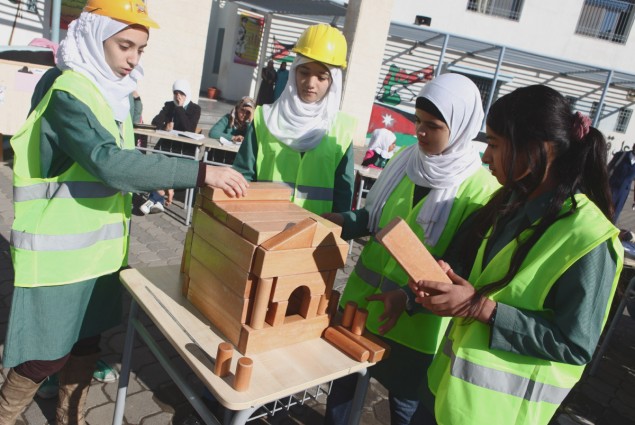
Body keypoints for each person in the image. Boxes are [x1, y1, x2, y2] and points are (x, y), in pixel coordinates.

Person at [0, 2, 248, 423]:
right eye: (124, 45)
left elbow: (112, 165)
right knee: (43, 358)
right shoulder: (68, 91)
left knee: (85, 345)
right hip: (58, 259)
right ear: (94, 38)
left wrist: (145, 183)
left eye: (141, 48)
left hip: (98, 253)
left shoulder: (108, 92)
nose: (132, 58)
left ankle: (69, 417)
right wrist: (199, 171)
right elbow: (107, 161)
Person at [409, 85, 623, 425]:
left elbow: (574, 344)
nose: (485, 156)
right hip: (442, 394)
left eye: (494, 144)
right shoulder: (511, 203)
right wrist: (450, 281)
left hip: (497, 415)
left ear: (538, 149)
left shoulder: (589, 238)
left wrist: (478, 307)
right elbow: (487, 283)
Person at [323, 73, 500, 425]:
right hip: (361, 305)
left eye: (433, 126)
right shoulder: (406, 161)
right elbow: (374, 218)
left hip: (416, 326)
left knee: (406, 406)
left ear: (463, 127)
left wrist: (405, 296)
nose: (420, 132)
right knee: (342, 390)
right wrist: (337, 221)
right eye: (417, 121)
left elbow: (459, 264)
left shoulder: (480, 189)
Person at [233, 24, 357, 215]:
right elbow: (242, 177)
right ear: (294, 72)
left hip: (312, 235)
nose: (310, 83)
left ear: (333, 81)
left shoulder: (342, 129)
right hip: (263, 227)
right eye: (304, 72)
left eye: (321, 77)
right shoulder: (264, 118)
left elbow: (343, 196)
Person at [142, 79, 202, 214]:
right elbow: (155, 122)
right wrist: (165, 126)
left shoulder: (195, 109)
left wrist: (180, 108)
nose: (178, 96)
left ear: (187, 94)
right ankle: (159, 198)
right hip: (167, 145)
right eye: (175, 93)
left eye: (181, 93)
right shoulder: (169, 105)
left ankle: (156, 198)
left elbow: (189, 128)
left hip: (184, 148)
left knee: (166, 167)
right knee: (157, 163)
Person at [607, 145, 635, 222]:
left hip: (622, 194)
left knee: (613, 216)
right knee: (602, 211)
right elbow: (608, 169)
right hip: (610, 189)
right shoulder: (621, 155)